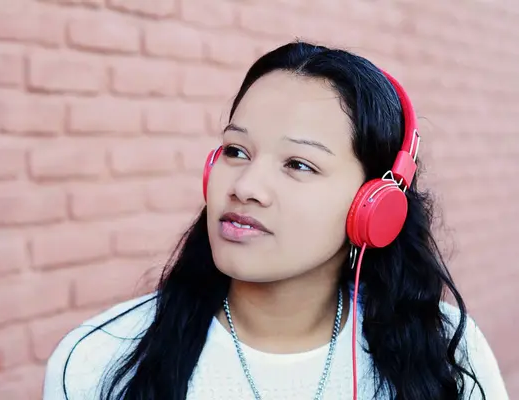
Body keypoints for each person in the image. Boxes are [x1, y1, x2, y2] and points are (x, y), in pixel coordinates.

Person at [42, 41, 509, 400]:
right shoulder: (99, 358)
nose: (245, 186)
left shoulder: (446, 352)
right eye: (235, 150)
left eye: (298, 164)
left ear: (375, 204)